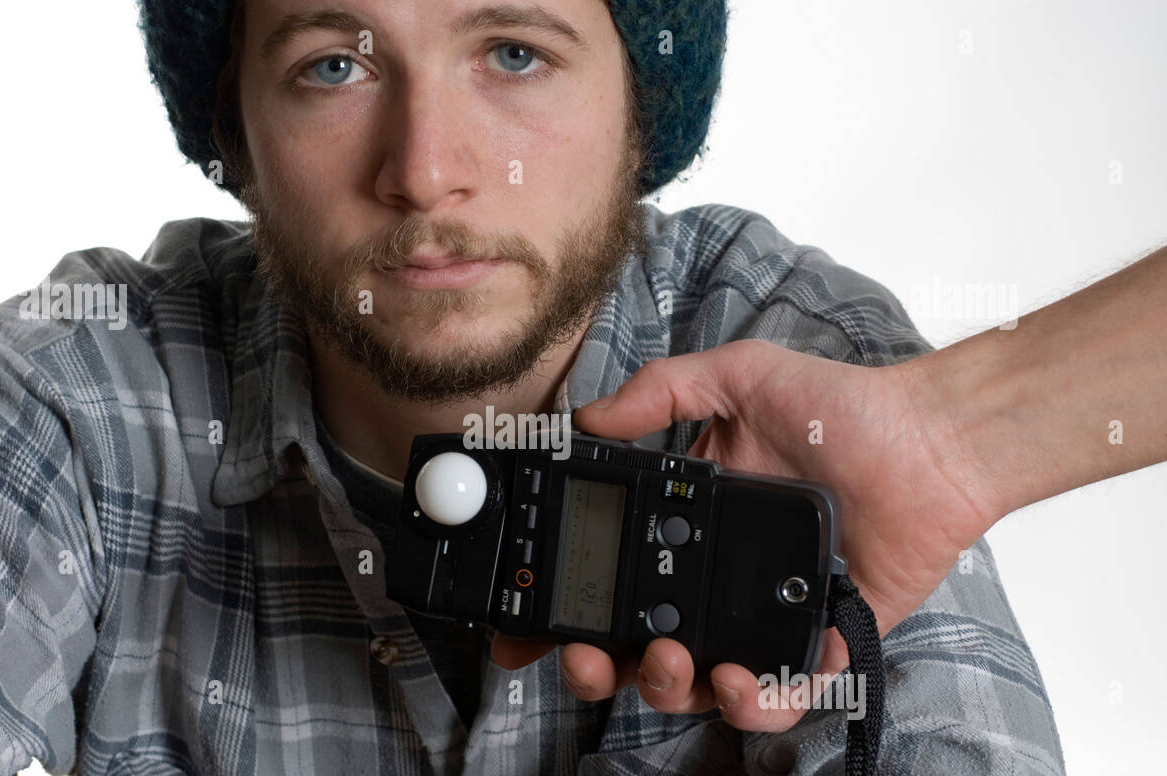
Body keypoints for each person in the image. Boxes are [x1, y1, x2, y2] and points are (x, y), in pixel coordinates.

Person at [0, 0, 1076, 776]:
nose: (427, 170)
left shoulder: (800, 363)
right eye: (333, 64)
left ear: (639, 114)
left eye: (513, 51)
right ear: (229, 131)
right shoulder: (88, 377)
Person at [497, 242, 1167, 726]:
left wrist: (941, 441)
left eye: (517, 54)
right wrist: (942, 445)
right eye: (382, 66)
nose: (425, 171)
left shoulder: (805, 326)